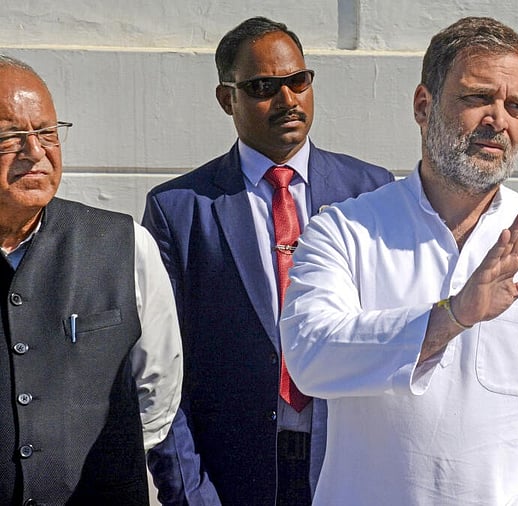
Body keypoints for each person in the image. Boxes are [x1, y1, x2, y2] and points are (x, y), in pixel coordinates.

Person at [280, 16, 518, 505]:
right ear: (424, 106)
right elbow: (309, 357)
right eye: (477, 97)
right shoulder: (345, 231)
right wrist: (452, 316)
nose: (498, 120)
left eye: (516, 106)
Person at [143, 16, 394, 506]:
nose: (288, 100)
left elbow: (394, 336)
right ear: (226, 99)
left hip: (351, 469)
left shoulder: (371, 191)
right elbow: (165, 372)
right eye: (263, 87)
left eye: (298, 81)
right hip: (234, 478)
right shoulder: (179, 209)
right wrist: (190, 494)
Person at [0, 55, 182, 505]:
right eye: (10, 137)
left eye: (46, 132)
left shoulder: (125, 244)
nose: (36, 152)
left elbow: (158, 384)